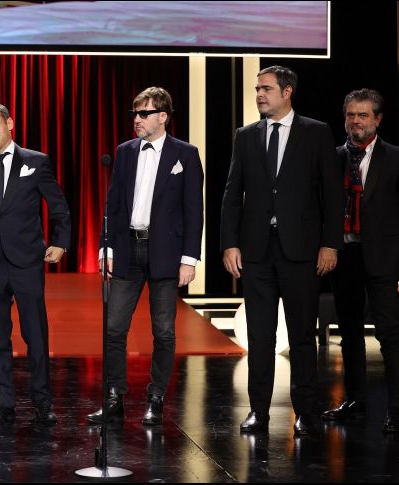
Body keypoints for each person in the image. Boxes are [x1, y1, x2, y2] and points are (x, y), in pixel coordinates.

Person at [220, 66, 342, 435]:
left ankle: (305, 412)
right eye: (257, 88)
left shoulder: (316, 132)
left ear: (287, 92)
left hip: (301, 251)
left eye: (266, 89)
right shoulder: (246, 135)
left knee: (302, 336)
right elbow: (232, 194)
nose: (259, 94)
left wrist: (330, 244)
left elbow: (332, 195)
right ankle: (258, 411)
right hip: (256, 252)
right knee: (260, 337)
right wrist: (229, 243)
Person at [86, 87, 204, 426]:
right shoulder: (125, 152)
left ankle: (156, 399)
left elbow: (194, 210)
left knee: (163, 331)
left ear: (163, 116)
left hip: (165, 252)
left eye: (144, 114)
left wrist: (189, 258)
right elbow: (113, 203)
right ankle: (113, 398)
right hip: (128, 248)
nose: (136, 120)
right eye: (134, 114)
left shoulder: (185, 154)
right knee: (114, 328)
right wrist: (106, 247)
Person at [0, 103, 71, 425]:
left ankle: (42, 401)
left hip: (26, 261)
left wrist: (60, 242)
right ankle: (5, 402)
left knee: (35, 334)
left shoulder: (36, 162)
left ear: (10, 124)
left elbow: (58, 206)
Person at [321, 89, 399, 433]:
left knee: (389, 334)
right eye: (351, 115)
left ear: (378, 120)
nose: (356, 121)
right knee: (349, 332)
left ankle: (396, 408)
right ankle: (355, 400)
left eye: (363, 115)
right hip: (344, 256)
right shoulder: (332, 157)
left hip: (384, 258)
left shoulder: (394, 158)